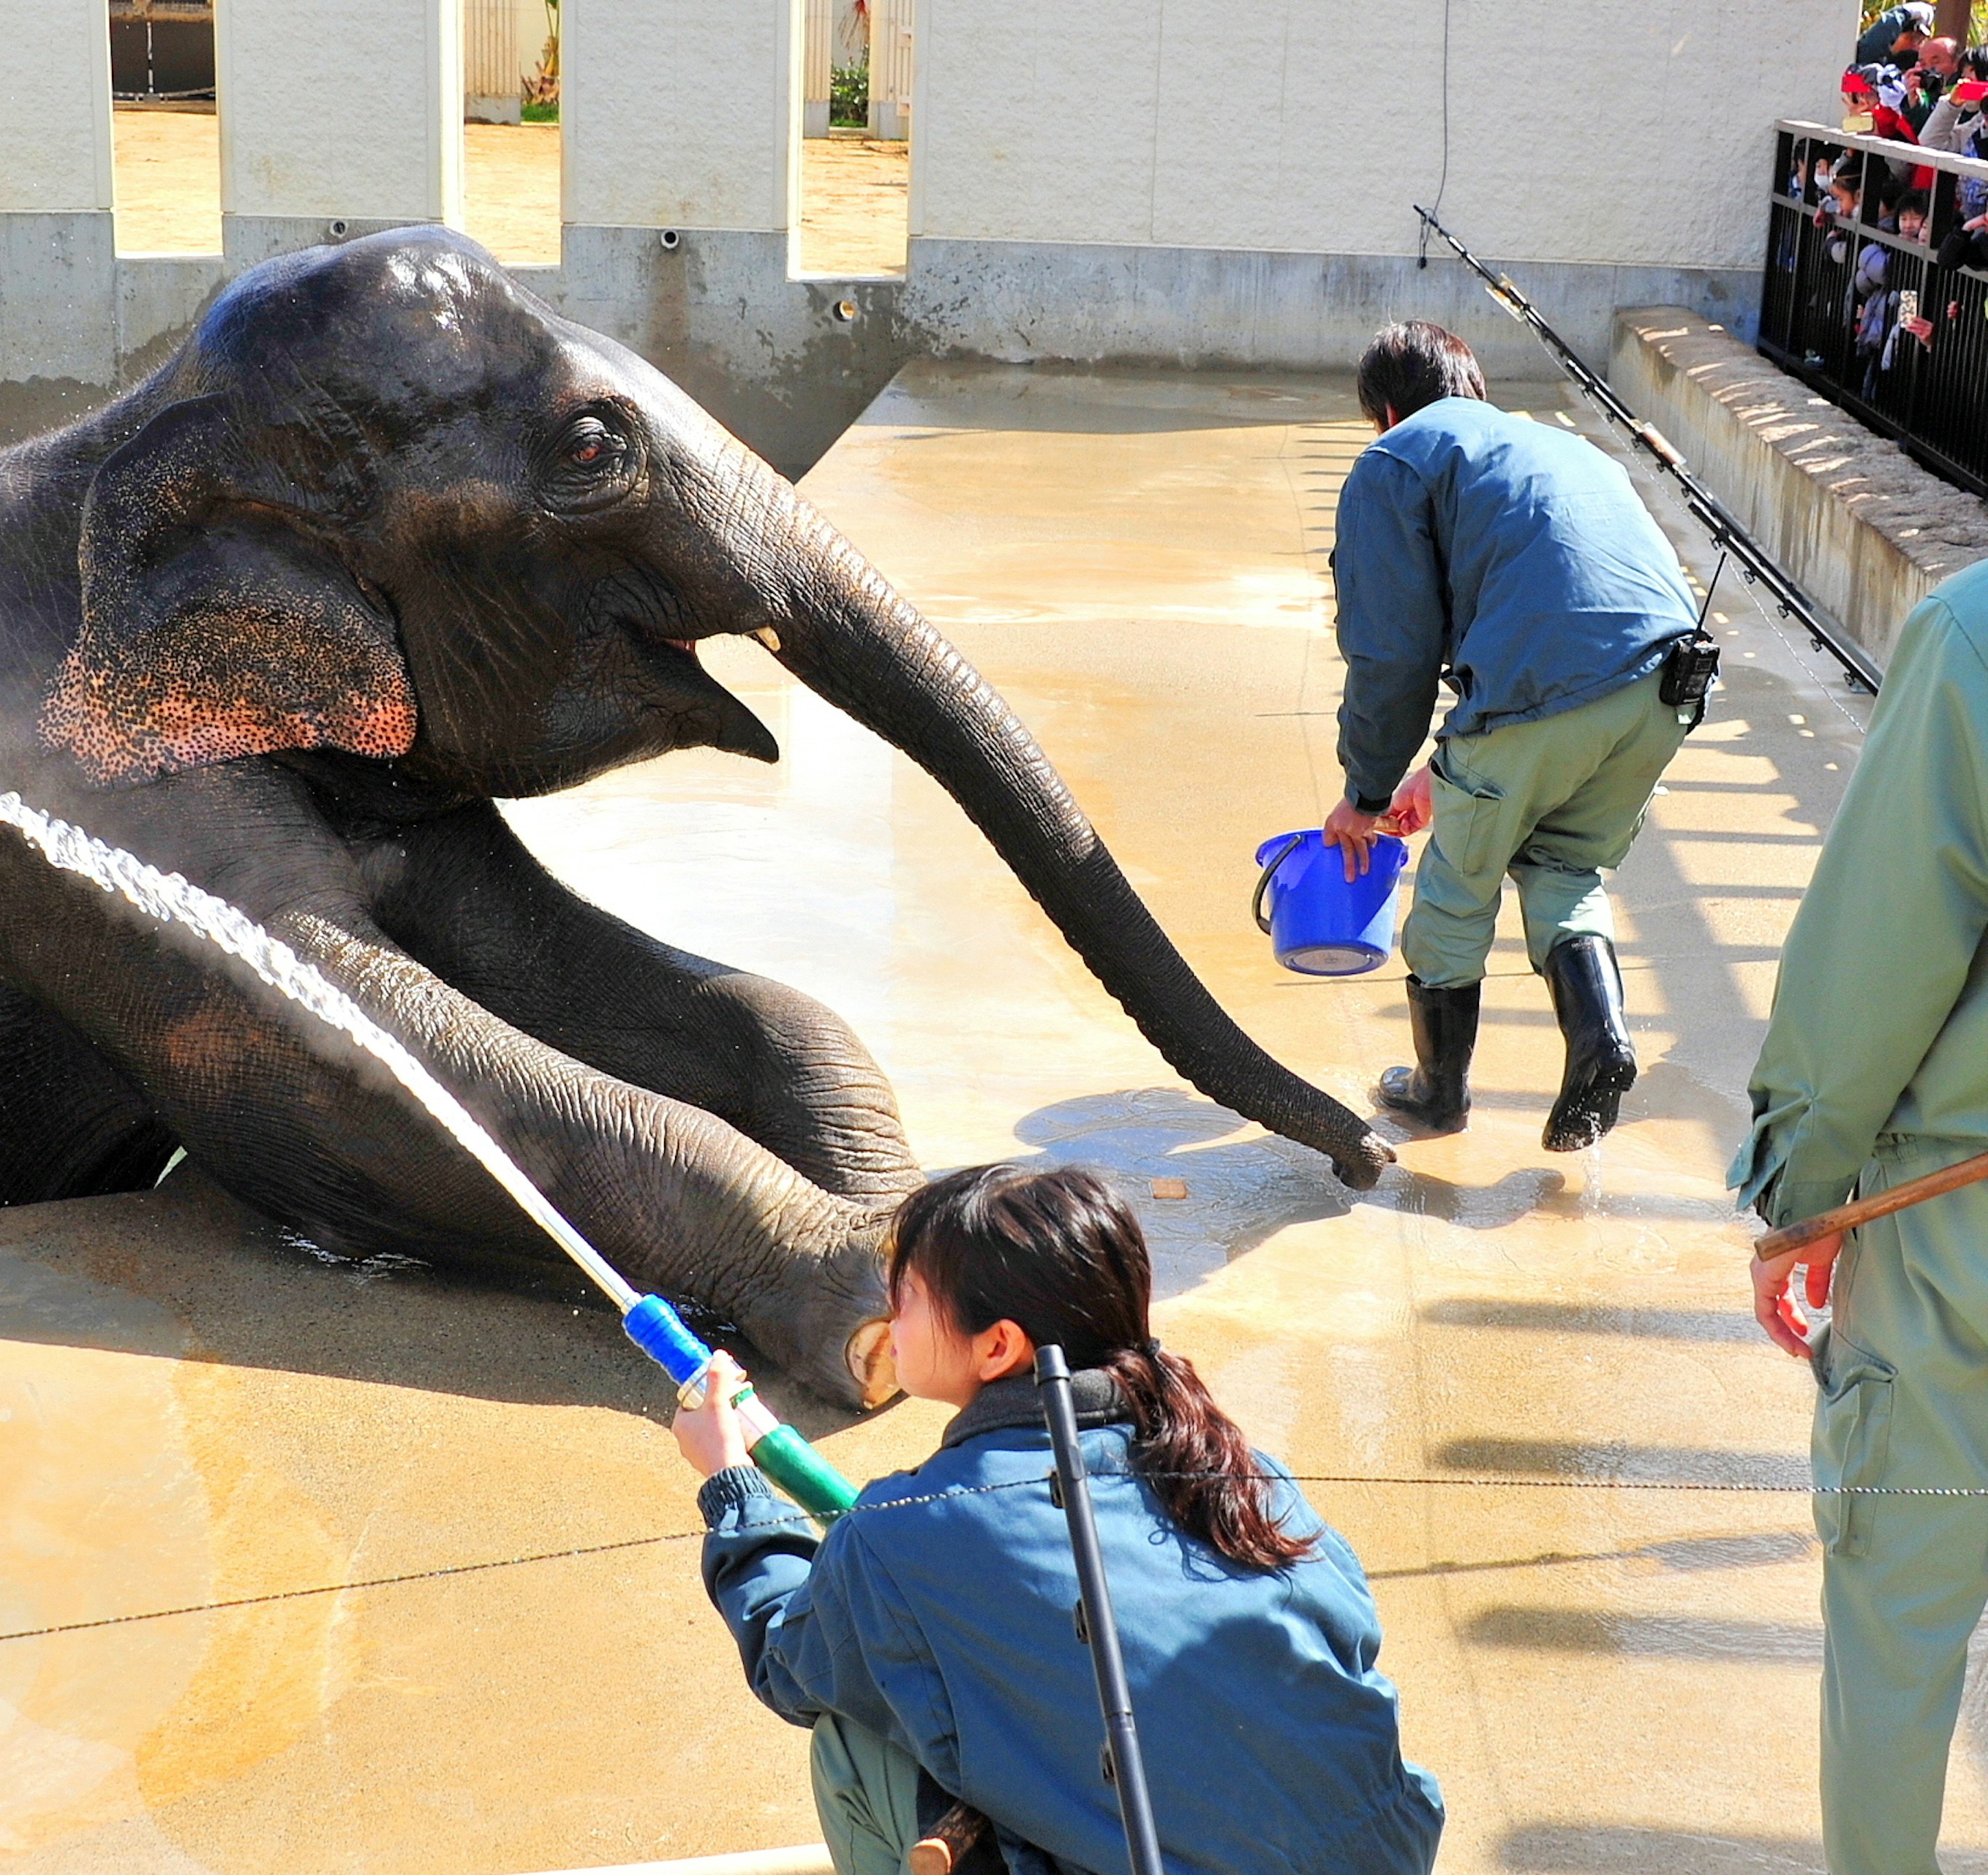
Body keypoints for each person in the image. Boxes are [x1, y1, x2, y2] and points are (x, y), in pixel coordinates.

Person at [673, 1163, 1444, 1875]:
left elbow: (790, 1661)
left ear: (998, 1344)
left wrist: (734, 1485)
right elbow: (1351, 1642)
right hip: (1389, 1855)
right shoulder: (1244, 1469)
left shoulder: (902, 1532)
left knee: (852, 1735)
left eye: (903, 1292)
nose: (889, 1313)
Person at [1738, 559, 1988, 1875]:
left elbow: (1878, 958)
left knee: (1900, 1626)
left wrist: (1804, 1195)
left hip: (1962, 1233)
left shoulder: (1975, 633)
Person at [1322, 322, 1703, 1152]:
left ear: (1385, 409)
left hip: (1547, 690)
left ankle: (1437, 1094)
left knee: (1458, 890)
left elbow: (1392, 652)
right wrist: (1444, 764)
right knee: (1564, 863)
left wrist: (1367, 792)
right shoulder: (1554, 445)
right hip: (1666, 687)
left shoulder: (1395, 458)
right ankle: (1602, 1038)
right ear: (1475, 388)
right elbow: (1555, 603)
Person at [1855, 3, 1933, 71]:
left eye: (1921, 41)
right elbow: (1872, 47)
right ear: (1896, 34)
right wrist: (1903, 13)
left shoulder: (1913, 70)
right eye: (1913, 38)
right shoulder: (1874, 64)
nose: (1915, 46)